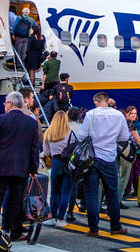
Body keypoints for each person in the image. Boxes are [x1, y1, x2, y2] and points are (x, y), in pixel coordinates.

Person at [0, 91, 42, 240]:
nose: (4, 105)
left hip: (0, 167)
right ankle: (15, 232)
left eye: (5, 103)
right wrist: (34, 169)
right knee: (16, 200)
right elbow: (34, 148)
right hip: (21, 168)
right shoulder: (31, 122)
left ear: (10, 104)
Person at [78, 91, 127, 237]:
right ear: (107, 100)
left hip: (92, 159)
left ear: (97, 101)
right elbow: (124, 136)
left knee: (92, 194)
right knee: (112, 193)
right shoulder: (119, 115)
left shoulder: (91, 114)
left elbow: (82, 136)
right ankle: (115, 227)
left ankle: (93, 229)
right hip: (109, 158)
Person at [43, 109, 81, 226]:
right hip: (68, 164)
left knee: (54, 191)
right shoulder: (71, 133)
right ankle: (60, 219)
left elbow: (46, 152)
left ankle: (52, 216)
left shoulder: (48, 133)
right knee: (66, 192)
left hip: (56, 162)